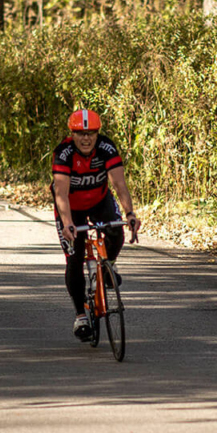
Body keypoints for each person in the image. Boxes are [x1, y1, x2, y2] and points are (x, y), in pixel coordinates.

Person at [51, 108, 141, 341]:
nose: (86, 138)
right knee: (75, 256)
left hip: (99, 200)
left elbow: (119, 184)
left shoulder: (106, 148)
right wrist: (68, 223)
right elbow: (60, 192)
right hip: (71, 207)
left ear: (98, 134)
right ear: (72, 135)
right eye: (80, 133)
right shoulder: (64, 152)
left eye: (91, 133)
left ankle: (106, 265)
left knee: (116, 232)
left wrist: (130, 213)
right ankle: (81, 314)